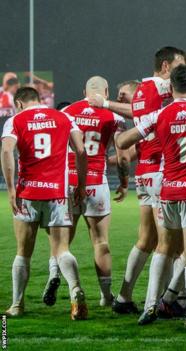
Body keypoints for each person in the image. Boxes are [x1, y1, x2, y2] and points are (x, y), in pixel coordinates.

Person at [117, 64, 186, 329]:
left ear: (171, 88)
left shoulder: (160, 114)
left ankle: (149, 306)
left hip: (168, 192)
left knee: (164, 247)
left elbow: (123, 141)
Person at [1, 87, 88, 319]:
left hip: (28, 193)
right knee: (61, 250)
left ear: (19, 103)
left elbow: (7, 151)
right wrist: (80, 185)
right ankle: (75, 289)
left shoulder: (15, 120)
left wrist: (10, 189)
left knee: (23, 252)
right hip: (58, 193)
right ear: (39, 100)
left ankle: (17, 305)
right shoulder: (65, 117)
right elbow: (81, 150)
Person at [42, 76, 128, 308]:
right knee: (100, 242)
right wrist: (124, 181)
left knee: (62, 242)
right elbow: (122, 156)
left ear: (84, 91)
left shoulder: (67, 111)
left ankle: (57, 276)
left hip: (68, 180)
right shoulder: (114, 117)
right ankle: (106, 296)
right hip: (96, 182)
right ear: (106, 91)